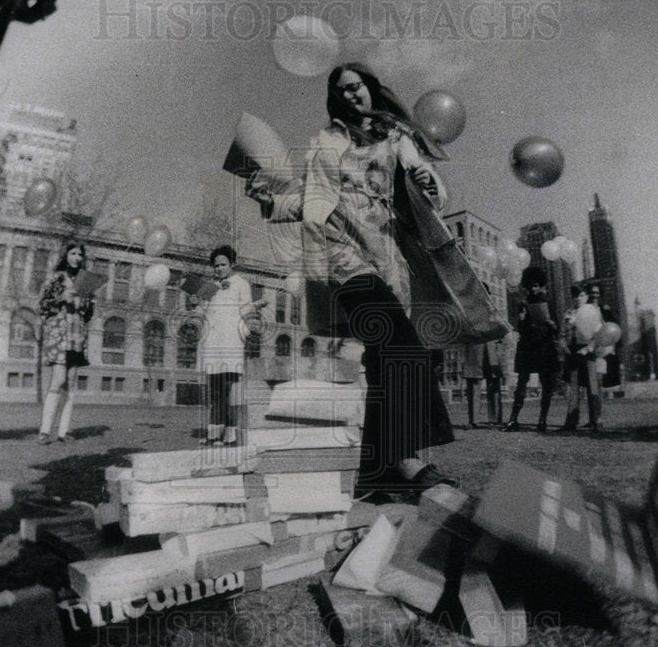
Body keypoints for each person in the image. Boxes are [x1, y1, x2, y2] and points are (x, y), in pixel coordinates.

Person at [245, 62, 467, 496]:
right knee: (398, 345)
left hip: (388, 258)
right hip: (340, 256)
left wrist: (427, 180)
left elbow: (431, 190)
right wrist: (269, 199)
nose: (351, 95)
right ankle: (405, 463)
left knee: (386, 357)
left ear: (370, 89)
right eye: (342, 91)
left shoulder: (398, 138)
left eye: (356, 87)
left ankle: (375, 473)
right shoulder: (325, 142)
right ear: (336, 100)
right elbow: (310, 199)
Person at [194, 245, 267, 446]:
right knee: (215, 390)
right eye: (216, 265)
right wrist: (196, 304)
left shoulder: (241, 284)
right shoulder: (208, 285)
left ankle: (231, 435)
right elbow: (201, 310)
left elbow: (245, 310)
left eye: (223, 264)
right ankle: (214, 433)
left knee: (228, 389)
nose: (219, 268)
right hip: (212, 343)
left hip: (230, 341)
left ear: (232, 264)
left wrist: (257, 307)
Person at [37, 241, 95, 444]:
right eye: (73, 253)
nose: (77, 258)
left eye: (80, 254)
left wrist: (86, 302)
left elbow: (89, 314)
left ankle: (64, 431)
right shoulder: (56, 278)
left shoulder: (85, 281)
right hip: (60, 336)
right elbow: (42, 304)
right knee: (58, 380)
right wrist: (61, 297)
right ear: (66, 255)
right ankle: (45, 431)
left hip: (77, 336)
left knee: (70, 383)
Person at [503, 266, 559, 432]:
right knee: (521, 382)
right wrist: (521, 320)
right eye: (531, 286)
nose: (534, 289)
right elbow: (520, 328)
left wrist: (552, 324)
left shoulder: (548, 302)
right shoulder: (524, 303)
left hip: (544, 345)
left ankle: (542, 420)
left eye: (536, 285)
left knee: (546, 383)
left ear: (541, 285)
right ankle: (513, 419)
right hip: (528, 346)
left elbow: (557, 329)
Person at [559, 283, 602, 431]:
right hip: (572, 351)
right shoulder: (568, 313)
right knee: (573, 386)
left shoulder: (594, 311)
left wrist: (589, 348)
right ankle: (571, 420)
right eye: (576, 295)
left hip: (588, 351)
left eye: (582, 295)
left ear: (587, 296)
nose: (579, 298)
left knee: (592, 385)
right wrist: (565, 348)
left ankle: (595, 420)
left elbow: (599, 333)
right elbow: (562, 334)